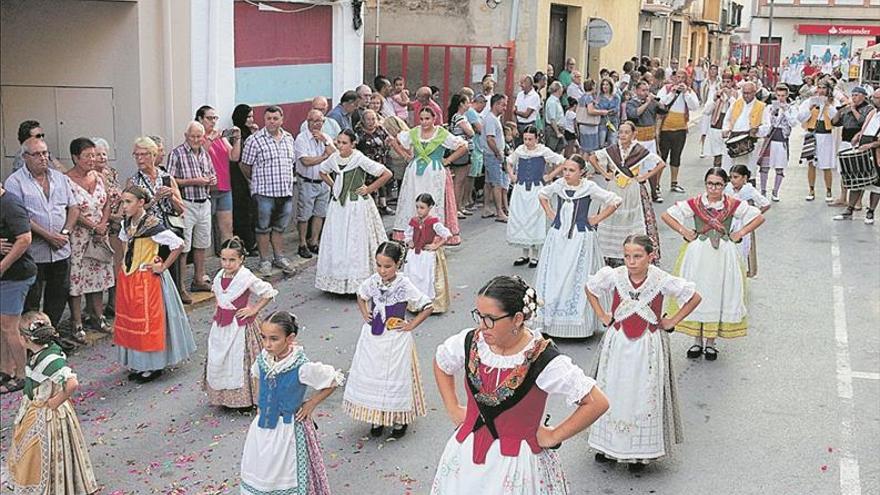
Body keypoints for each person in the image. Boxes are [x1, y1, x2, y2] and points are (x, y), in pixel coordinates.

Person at [431, 275, 609, 494]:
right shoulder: (471, 342)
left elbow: (596, 402)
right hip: (465, 458)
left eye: (490, 318)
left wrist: (555, 435)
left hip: (517, 464)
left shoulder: (543, 359)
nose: (482, 325)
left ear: (517, 319)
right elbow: (442, 363)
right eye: (479, 315)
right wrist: (452, 407)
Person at [585, 235, 700, 471]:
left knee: (642, 392)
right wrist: (602, 315)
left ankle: (638, 453)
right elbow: (590, 288)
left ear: (651, 256)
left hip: (648, 346)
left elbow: (693, 297)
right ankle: (606, 445)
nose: (631, 261)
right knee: (612, 387)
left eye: (637, 256)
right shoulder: (615, 275)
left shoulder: (661, 280)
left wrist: (672, 321)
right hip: (617, 344)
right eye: (627, 256)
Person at [660, 167, 765, 360]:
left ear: (724, 185)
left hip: (723, 255)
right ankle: (696, 340)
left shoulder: (733, 205)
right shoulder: (695, 203)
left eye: (717, 184)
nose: (713, 188)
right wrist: (684, 230)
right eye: (710, 183)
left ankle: (711, 342)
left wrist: (740, 233)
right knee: (696, 290)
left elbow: (758, 216)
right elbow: (667, 215)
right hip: (698, 254)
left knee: (717, 292)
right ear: (705, 184)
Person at [239, 311, 343, 495]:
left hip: (288, 430)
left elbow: (332, 380)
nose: (267, 344)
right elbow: (256, 374)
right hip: (263, 426)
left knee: (286, 472)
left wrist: (310, 404)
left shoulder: (301, 366)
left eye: (274, 339)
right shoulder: (264, 358)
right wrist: (260, 402)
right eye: (264, 338)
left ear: (290, 338)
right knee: (262, 469)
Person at [343, 241, 433, 439]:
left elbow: (427, 306)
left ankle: (399, 418)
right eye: (379, 265)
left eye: (387, 266)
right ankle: (377, 416)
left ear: (398, 265)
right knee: (374, 372)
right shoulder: (373, 281)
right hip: (373, 336)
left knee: (395, 376)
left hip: (396, 338)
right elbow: (361, 294)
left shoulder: (404, 284)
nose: (382, 270)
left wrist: (410, 325)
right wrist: (365, 312)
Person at [6, 312, 98, 495]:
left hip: (48, 412)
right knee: (33, 450)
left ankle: (51, 487)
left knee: (42, 451)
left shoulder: (50, 360)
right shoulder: (42, 352)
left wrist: (56, 401)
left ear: (25, 339)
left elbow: (72, 383)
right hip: (35, 407)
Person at [114, 185, 196, 382]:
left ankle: (153, 365)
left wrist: (163, 266)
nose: (124, 206)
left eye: (128, 202)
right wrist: (125, 265)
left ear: (141, 203)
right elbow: (125, 245)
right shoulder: (128, 224)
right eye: (123, 202)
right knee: (132, 320)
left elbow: (178, 244)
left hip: (147, 279)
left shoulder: (152, 225)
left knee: (149, 322)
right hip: (130, 278)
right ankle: (138, 362)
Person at [534, 155, 622, 338]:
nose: (566, 173)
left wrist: (596, 219)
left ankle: (578, 326)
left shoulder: (588, 187)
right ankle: (551, 322)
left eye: (571, 170)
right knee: (554, 275)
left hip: (580, 238)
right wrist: (550, 212)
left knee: (577, 276)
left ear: (582, 172)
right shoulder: (559, 185)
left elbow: (614, 200)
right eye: (565, 169)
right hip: (558, 237)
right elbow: (542, 194)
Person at [5, 137, 80, 337]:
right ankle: (31, 342)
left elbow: (73, 207)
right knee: (32, 300)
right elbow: (20, 218)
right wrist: (48, 236)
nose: (43, 158)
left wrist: (65, 232)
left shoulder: (60, 178)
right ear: (25, 157)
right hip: (34, 253)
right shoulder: (15, 181)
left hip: (61, 250)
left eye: (45, 153)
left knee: (58, 296)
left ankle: (50, 338)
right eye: (37, 154)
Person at [315, 129, 392, 294]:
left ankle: (358, 282)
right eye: (338, 142)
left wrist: (369, 189)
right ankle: (337, 281)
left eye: (344, 143)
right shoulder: (334, 158)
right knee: (338, 239)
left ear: (353, 144)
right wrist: (334, 186)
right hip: (338, 207)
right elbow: (322, 171)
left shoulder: (359, 158)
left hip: (356, 205)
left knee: (355, 240)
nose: (340, 146)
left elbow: (386, 173)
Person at [205, 237, 277, 409]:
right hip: (222, 324)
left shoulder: (246, 277)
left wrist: (254, 309)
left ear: (241, 259)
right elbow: (219, 296)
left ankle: (246, 399)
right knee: (221, 358)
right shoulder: (219, 275)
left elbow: (268, 292)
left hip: (241, 325)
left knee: (242, 361)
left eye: (232, 260)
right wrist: (218, 309)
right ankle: (224, 396)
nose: (227, 264)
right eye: (224, 259)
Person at [591, 122, 666, 267]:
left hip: (633, 189)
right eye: (620, 132)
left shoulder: (639, 150)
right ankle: (610, 255)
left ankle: (635, 253)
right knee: (611, 216)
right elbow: (593, 158)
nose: (623, 135)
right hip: (614, 187)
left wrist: (645, 176)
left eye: (626, 132)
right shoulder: (612, 150)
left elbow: (661, 163)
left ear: (633, 134)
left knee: (634, 220)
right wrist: (604, 173)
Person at [389, 107, 467, 243]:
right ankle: (411, 233)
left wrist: (448, 160)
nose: (424, 122)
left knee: (433, 200)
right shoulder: (414, 132)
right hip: (414, 173)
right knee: (413, 198)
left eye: (427, 118)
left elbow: (463, 146)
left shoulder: (442, 133)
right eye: (421, 119)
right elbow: (395, 141)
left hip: (434, 173)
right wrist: (406, 156)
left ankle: (432, 233)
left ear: (434, 119)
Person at [127, 137, 188, 301]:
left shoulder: (166, 177)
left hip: (167, 232)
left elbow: (181, 209)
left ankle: (170, 309)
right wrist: (154, 199)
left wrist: (171, 197)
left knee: (169, 277)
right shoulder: (134, 181)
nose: (139, 159)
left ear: (154, 155)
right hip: (147, 237)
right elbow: (130, 212)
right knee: (150, 278)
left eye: (144, 154)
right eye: (136, 155)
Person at [241, 106, 298, 277]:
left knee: (279, 227)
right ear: (264, 120)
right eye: (268, 119)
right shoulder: (254, 140)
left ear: (281, 120)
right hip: (264, 192)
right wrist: (256, 183)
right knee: (263, 228)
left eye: (275, 118)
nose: (271, 122)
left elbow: (292, 163)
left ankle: (279, 257)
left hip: (285, 191)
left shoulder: (289, 138)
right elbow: (245, 166)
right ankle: (264, 260)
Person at [65, 138, 114, 336]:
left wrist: (103, 224)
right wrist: (94, 226)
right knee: (77, 279)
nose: (92, 159)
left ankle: (98, 317)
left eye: (94, 155)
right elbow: (71, 210)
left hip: (100, 236)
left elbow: (108, 202)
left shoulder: (98, 176)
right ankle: (77, 322)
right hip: (79, 238)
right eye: (87, 156)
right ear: (76, 157)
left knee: (99, 277)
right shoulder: (66, 180)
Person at [167, 121, 217, 292]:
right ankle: (180, 287)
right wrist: (194, 181)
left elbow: (211, 174)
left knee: (202, 244)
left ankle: (198, 279)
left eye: (199, 136)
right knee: (184, 247)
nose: (196, 139)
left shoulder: (205, 153)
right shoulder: (177, 154)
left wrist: (212, 180)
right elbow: (170, 181)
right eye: (193, 136)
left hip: (204, 202)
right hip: (186, 203)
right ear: (186, 136)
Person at [505, 125, 565, 267]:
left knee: (535, 219)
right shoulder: (520, 150)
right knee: (521, 218)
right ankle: (524, 254)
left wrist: (549, 176)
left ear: (536, 139)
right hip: (520, 189)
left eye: (530, 139)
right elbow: (509, 162)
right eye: (525, 139)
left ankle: (535, 256)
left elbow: (561, 162)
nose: (527, 142)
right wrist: (511, 175)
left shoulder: (543, 151)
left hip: (536, 189)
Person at [0, 182, 35, 394]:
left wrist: (2, 266)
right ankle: (5, 369)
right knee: (2, 326)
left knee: (9, 326)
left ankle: (23, 374)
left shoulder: (10, 204)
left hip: (16, 275)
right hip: (7, 275)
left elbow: (24, 239)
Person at [196, 105, 241, 244]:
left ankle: (226, 256)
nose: (213, 121)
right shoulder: (197, 137)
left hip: (224, 187)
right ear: (200, 119)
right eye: (209, 118)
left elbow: (233, 157)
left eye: (215, 118)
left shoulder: (221, 137)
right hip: (207, 189)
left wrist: (238, 139)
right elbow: (199, 155)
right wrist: (210, 139)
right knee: (203, 230)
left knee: (227, 227)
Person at [294, 109, 335, 260]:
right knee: (304, 215)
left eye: (320, 121)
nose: (318, 124)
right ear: (308, 122)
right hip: (307, 181)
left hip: (324, 182)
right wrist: (324, 156)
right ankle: (302, 243)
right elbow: (306, 161)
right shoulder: (301, 139)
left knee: (320, 213)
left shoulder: (326, 137)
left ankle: (314, 241)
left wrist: (325, 142)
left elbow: (336, 156)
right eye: (314, 121)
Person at [836, 88, 880, 224]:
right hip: (863, 148)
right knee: (857, 180)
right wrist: (858, 135)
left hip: (875, 151)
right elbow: (865, 127)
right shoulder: (873, 112)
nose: (874, 100)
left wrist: (871, 145)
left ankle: (870, 212)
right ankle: (849, 210)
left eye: (877, 98)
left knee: (876, 185)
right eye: (874, 97)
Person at [403, 193, 452, 313]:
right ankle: (415, 303)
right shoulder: (414, 221)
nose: (419, 210)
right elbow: (408, 234)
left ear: (430, 208)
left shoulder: (433, 222)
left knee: (428, 279)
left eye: (422, 207)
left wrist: (436, 245)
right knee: (413, 276)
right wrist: (409, 241)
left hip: (427, 255)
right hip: (415, 255)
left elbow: (447, 235)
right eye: (417, 207)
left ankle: (430, 304)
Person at [91, 137, 123, 318]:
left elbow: (118, 197)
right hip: (102, 226)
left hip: (116, 226)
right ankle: (95, 311)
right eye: (97, 154)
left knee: (116, 266)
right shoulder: (91, 176)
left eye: (104, 153)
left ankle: (114, 302)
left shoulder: (112, 173)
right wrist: (112, 216)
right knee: (101, 267)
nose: (102, 157)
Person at [657, 70, 700, 194]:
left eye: (683, 77)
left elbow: (694, 106)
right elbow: (661, 102)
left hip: (680, 129)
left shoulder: (689, 91)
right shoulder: (666, 88)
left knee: (676, 157)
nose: (680, 80)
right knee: (662, 158)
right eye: (678, 77)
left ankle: (674, 183)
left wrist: (686, 92)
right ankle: (657, 185)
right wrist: (672, 93)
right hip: (665, 129)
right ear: (673, 78)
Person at [725, 165, 771, 278]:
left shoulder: (749, 190)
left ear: (744, 178)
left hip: (743, 224)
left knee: (746, 246)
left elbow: (765, 204)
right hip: (729, 222)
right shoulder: (727, 189)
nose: (733, 180)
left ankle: (745, 271)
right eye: (731, 177)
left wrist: (753, 216)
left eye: (736, 177)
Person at [756, 84, 799, 201]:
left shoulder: (791, 108)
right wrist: (772, 113)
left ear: (787, 95)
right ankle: (763, 191)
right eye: (778, 95)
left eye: (783, 96)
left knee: (779, 168)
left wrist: (785, 110)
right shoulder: (769, 107)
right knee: (764, 166)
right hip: (769, 139)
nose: (780, 98)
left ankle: (775, 192)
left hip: (781, 139)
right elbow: (764, 122)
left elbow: (793, 123)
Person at [797, 80, 839, 202]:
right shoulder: (809, 102)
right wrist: (809, 108)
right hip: (811, 134)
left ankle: (829, 190)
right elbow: (800, 118)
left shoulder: (832, 102)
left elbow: (835, 119)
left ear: (828, 90)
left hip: (825, 135)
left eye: (823, 88)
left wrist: (827, 106)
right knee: (811, 163)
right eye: (819, 87)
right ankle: (811, 190)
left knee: (826, 164)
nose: (821, 90)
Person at [831, 86, 871, 207]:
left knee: (859, 171)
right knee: (844, 171)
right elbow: (835, 122)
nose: (854, 97)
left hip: (859, 141)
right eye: (852, 95)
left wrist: (853, 109)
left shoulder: (868, 109)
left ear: (863, 96)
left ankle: (858, 201)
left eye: (857, 95)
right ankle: (843, 197)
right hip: (846, 140)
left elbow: (863, 122)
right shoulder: (847, 108)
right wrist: (839, 111)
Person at [626, 81, 662, 202]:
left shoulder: (652, 102)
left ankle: (654, 192)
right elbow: (634, 114)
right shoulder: (631, 103)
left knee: (652, 167)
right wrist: (647, 103)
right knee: (634, 168)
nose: (645, 93)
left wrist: (659, 101)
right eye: (643, 90)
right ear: (637, 90)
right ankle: (634, 194)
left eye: (647, 90)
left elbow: (663, 110)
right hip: (638, 141)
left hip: (650, 139)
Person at [721, 81, 766, 176]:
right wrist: (726, 129)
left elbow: (766, 126)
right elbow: (727, 119)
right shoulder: (736, 104)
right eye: (744, 93)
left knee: (748, 169)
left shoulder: (761, 106)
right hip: (733, 138)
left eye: (748, 93)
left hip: (750, 140)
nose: (746, 95)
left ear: (754, 92)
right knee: (730, 168)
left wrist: (757, 130)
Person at [355, 109, 395, 215]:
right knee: (370, 186)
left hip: (380, 161)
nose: (371, 122)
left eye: (373, 119)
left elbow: (388, 138)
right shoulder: (359, 132)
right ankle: (371, 209)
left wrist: (389, 141)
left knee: (382, 184)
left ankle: (383, 205)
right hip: (367, 164)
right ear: (363, 120)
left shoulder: (380, 129)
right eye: (368, 119)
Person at [230, 104, 258, 252]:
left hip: (250, 177)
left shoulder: (251, 133)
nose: (251, 119)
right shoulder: (235, 134)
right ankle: (245, 242)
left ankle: (252, 240)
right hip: (238, 177)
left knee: (251, 211)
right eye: (248, 117)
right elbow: (238, 157)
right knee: (242, 210)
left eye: (252, 116)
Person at [479, 95, 510, 222]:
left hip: (490, 154)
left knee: (488, 182)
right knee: (497, 183)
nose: (505, 107)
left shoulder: (492, 118)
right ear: (496, 104)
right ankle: (500, 212)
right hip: (493, 154)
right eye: (503, 105)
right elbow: (490, 138)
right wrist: (498, 153)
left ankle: (486, 207)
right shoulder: (491, 119)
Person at [447, 94, 476, 217]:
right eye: (467, 102)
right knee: (459, 180)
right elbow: (471, 132)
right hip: (461, 151)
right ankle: (455, 208)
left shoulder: (462, 117)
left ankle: (460, 206)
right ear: (461, 104)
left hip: (466, 151)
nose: (469, 104)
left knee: (463, 179)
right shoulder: (459, 118)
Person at [703, 76, 736, 166]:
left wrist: (730, 97)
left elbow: (736, 109)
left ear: (732, 83)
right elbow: (706, 111)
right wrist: (714, 99)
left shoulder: (736, 94)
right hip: (716, 127)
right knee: (717, 156)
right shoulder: (716, 94)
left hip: (729, 129)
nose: (725, 84)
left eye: (728, 82)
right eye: (724, 82)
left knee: (728, 156)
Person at [514, 74, 542, 142]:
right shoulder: (520, 94)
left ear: (528, 84)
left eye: (522, 83)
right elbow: (514, 109)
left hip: (529, 125)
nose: (520, 85)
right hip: (518, 124)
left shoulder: (535, 96)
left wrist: (516, 112)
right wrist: (515, 126)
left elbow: (526, 114)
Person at [596, 78, 621, 148]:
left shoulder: (616, 97)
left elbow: (617, 109)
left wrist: (606, 111)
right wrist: (606, 111)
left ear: (611, 86)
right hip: (603, 120)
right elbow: (598, 108)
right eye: (603, 84)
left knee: (612, 142)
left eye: (607, 84)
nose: (605, 86)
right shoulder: (599, 97)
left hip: (613, 121)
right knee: (601, 142)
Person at [545, 81, 566, 153]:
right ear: (558, 90)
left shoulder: (556, 101)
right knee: (552, 151)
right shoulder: (552, 102)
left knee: (560, 149)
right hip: (553, 130)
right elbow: (552, 119)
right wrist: (557, 132)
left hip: (559, 129)